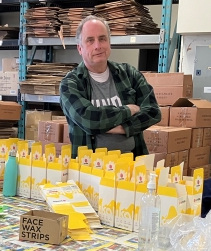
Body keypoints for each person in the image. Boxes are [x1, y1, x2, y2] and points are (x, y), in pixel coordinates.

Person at [60, 15, 161, 158]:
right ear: (80, 48)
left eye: (102, 39)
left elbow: (153, 112)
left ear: (109, 43)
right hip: (90, 168)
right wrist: (129, 110)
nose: (98, 46)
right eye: (90, 40)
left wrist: (119, 127)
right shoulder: (71, 83)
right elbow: (90, 120)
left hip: (132, 164)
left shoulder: (129, 74)